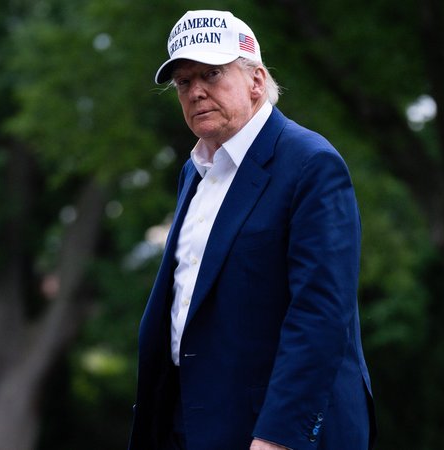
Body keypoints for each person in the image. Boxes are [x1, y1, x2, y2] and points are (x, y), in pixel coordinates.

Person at [128, 9, 375, 450]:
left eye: (212, 73)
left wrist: (278, 437)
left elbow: (321, 314)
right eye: (184, 82)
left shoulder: (310, 163)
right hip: (193, 421)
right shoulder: (196, 168)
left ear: (256, 81)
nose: (196, 91)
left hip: (273, 432)